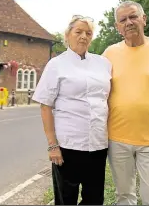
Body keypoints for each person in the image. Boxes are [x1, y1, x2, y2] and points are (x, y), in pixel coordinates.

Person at [102, 0, 149, 205]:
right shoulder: (109, 54)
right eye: (123, 20)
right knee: (124, 196)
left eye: (133, 16)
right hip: (117, 138)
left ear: (143, 19)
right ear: (117, 27)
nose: (129, 22)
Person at [32, 15, 112, 205]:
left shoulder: (103, 64)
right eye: (78, 32)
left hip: (98, 145)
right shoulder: (56, 65)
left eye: (88, 33)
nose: (83, 36)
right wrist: (53, 145)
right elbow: (45, 106)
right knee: (66, 199)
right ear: (67, 35)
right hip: (68, 146)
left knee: (94, 199)